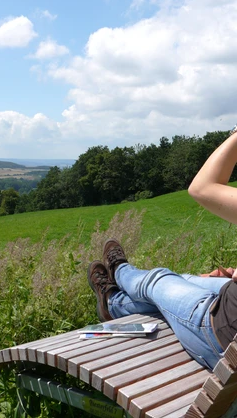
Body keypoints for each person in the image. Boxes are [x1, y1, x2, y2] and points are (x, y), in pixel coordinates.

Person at [88, 128, 237, 371]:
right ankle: (114, 300)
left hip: (219, 332)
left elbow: (201, 187)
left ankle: (119, 275)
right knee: (185, 280)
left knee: (158, 280)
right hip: (231, 303)